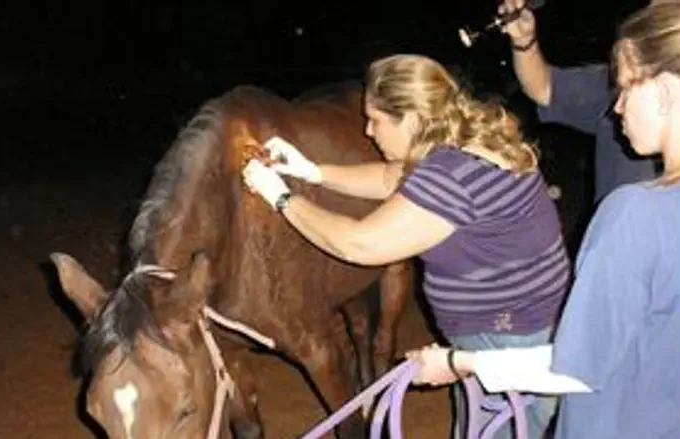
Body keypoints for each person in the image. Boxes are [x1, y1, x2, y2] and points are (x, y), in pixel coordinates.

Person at [242, 54, 571, 439]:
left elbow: (358, 244)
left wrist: (281, 198)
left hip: (505, 342)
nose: (367, 131)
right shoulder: (467, 143)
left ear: (412, 119)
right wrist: (311, 171)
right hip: (524, 330)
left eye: (376, 120)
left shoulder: (451, 177)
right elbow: (389, 179)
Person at [405, 2, 680, 439]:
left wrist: (457, 362)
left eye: (628, 87)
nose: (616, 107)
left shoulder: (635, 215)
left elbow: (574, 369)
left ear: (666, 93)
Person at [499, 0, 661, 205]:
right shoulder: (619, 86)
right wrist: (524, 40)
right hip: (609, 233)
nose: (619, 107)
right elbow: (544, 88)